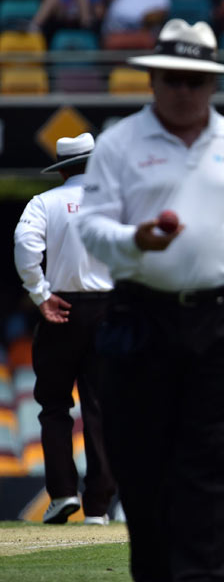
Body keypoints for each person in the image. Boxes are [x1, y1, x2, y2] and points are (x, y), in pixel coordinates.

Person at [77, 19, 224, 581]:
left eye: (195, 81)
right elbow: (93, 229)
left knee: (214, 466)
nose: (183, 91)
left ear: (213, 86)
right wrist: (136, 240)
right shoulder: (119, 143)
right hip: (141, 318)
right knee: (141, 465)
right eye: (172, 78)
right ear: (153, 81)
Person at [13, 133, 116, 526]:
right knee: (100, 407)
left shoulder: (44, 202)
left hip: (61, 309)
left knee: (54, 405)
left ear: (62, 170)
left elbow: (25, 243)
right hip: (107, 309)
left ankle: (61, 495)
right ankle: (99, 507)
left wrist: (40, 294)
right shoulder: (113, 202)